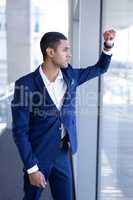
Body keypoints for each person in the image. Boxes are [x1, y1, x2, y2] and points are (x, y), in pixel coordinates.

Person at [11, 30, 116, 200]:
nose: (69, 54)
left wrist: (108, 45)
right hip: (38, 153)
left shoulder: (71, 76)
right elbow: (19, 131)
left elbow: (101, 68)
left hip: (62, 153)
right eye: (65, 50)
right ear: (50, 52)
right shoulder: (25, 84)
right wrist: (32, 168)